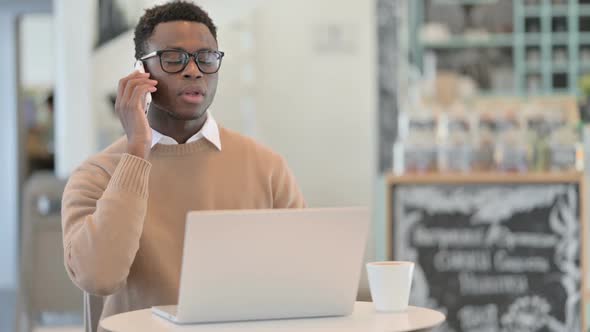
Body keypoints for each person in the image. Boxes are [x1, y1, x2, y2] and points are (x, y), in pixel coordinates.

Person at [60, 2, 305, 331]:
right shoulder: (96, 175)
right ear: (140, 71)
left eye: (206, 58)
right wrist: (135, 150)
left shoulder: (267, 168)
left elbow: (303, 280)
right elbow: (100, 277)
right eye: (173, 58)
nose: (194, 70)